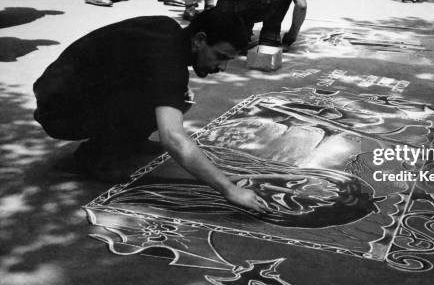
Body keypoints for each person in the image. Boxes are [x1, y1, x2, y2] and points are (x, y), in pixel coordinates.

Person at [33, 11, 269, 213]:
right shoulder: (169, 60)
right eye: (220, 56)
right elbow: (173, 138)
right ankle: (97, 155)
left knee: (175, 97)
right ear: (199, 39)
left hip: (63, 92)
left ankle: (125, 140)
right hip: (60, 111)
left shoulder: (167, 31)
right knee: (167, 100)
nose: (222, 67)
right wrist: (229, 190)